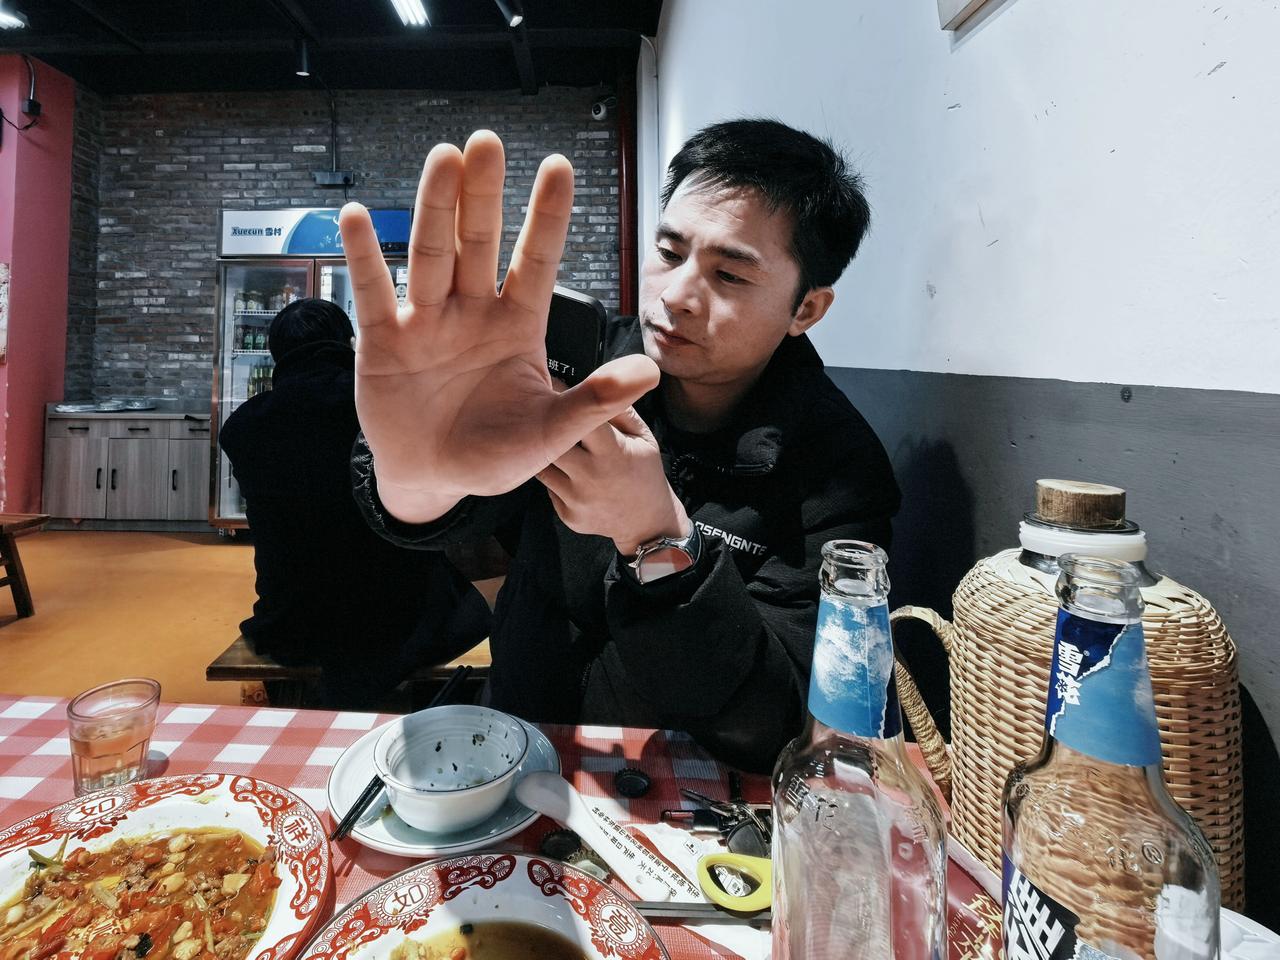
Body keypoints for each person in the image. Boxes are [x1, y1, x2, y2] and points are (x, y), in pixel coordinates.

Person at [342, 119, 899, 770]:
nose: (677, 296)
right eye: (669, 252)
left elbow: (779, 719)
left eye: (729, 275)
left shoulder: (838, 467)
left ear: (806, 309)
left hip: (686, 793)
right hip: (520, 743)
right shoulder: (576, 364)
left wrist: (658, 539)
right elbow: (465, 503)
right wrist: (416, 483)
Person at [219, 298, 491, 709]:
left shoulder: (241, 426)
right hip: (401, 623)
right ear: (349, 344)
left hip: (290, 626)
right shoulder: (388, 404)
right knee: (493, 598)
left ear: (277, 355)